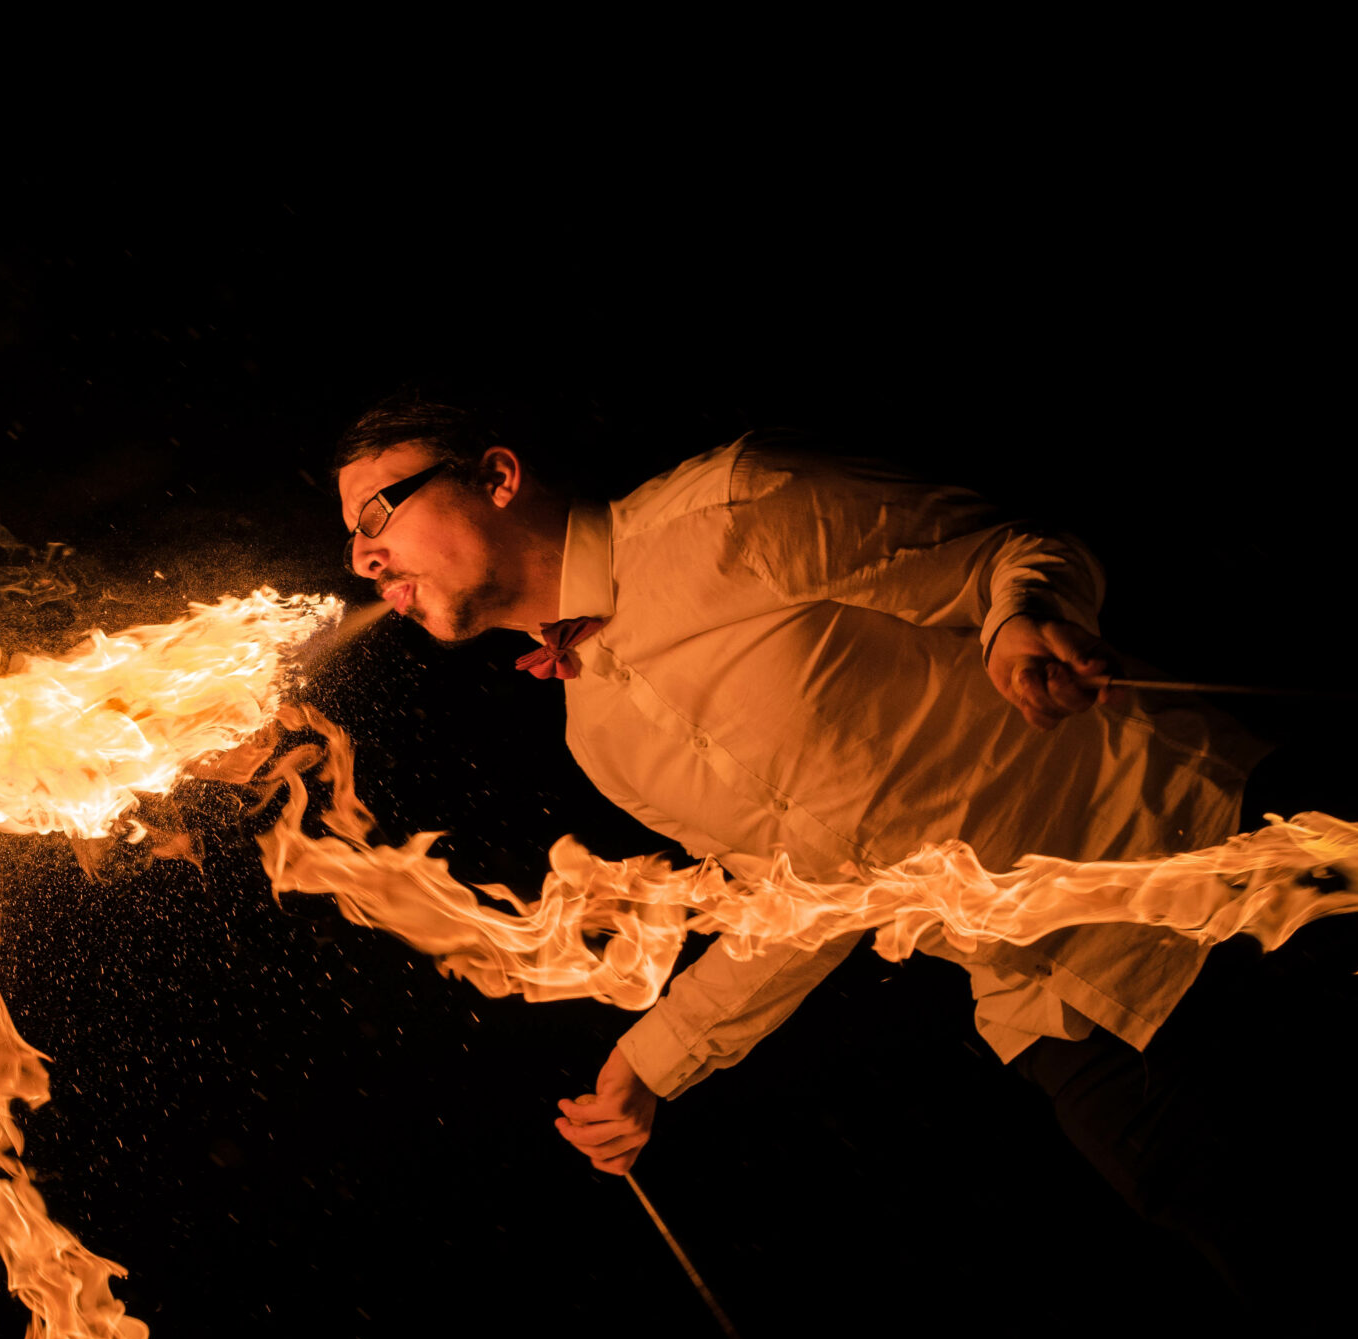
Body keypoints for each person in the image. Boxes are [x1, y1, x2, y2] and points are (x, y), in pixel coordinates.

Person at [331, 395, 1289, 1289]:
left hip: (1206, 866)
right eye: (352, 543)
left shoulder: (732, 510)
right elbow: (809, 901)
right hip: (1060, 1019)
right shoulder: (597, 737)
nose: (365, 559)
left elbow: (1009, 553)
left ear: (498, 477)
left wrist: (1018, 619)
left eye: (379, 515)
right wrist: (652, 1058)